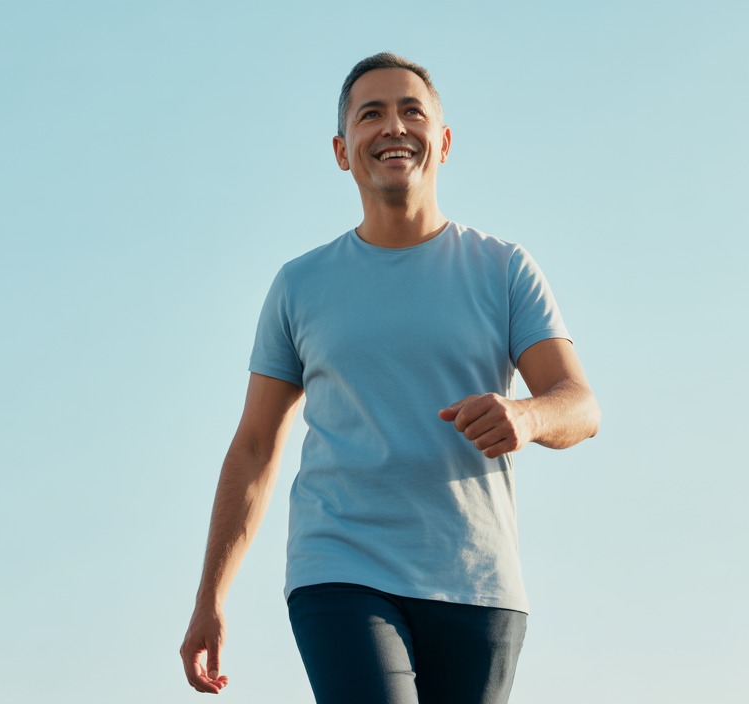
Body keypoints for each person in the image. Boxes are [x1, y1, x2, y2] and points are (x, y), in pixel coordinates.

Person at [179, 52, 601, 704]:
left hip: (477, 582)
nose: (393, 126)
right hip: (340, 567)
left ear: (445, 141)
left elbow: (580, 404)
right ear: (343, 150)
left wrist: (526, 415)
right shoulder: (300, 286)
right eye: (370, 114)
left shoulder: (505, 269)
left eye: (412, 111)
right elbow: (256, 446)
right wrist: (210, 599)